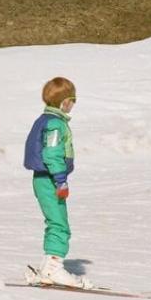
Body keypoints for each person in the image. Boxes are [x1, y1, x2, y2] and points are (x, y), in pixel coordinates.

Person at [23, 77, 92, 289]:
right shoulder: (54, 124)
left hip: (45, 179)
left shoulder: (46, 120)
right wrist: (61, 181)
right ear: (62, 101)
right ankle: (54, 268)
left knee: (55, 222)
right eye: (72, 99)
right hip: (50, 179)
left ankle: (47, 267)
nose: (73, 104)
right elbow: (51, 154)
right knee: (60, 225)